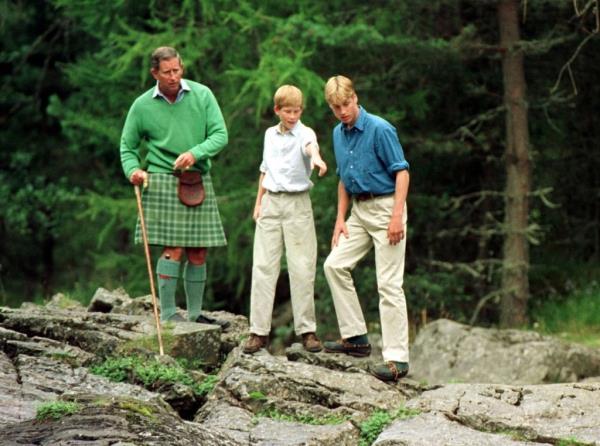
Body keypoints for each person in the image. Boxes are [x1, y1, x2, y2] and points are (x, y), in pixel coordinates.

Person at [120, 46, 227, 324]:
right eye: (166, 72)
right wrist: (134, 171)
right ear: (154, 72)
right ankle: (168, 314)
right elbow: (127, 147)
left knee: (199, 250)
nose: (173, 77)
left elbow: (220, 135)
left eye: (177, 70)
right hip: (162, 180)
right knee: (174, 248)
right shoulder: (142, 105)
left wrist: (195, 153)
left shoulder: (202, 95)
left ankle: (194, 315)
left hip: (197, 178)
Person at [321, 75, 411, 382]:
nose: (343, 111)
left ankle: (397, 359)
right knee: (334, 265)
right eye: (336, 107)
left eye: (346, 104)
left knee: (388, 284)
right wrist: (340, 218)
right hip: (358, 210)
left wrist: (397, 216)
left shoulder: (380, 129)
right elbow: (343, 178)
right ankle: (356, 338)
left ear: (355, 98)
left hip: (387, 206)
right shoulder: (338, 133)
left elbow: (402, 173)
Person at [243, 85, 328, 354]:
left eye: (297, 111)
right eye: (288, 111)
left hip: (296, 204)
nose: (293, 116)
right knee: (263, 267)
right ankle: (258, 332)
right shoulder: (270, 135)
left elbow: (310, 148)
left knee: (302, 267)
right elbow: (265, 170)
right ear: (277, 110)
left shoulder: (306, 133)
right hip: (271, 202)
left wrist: (317, 159)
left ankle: (307, 331)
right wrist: (258, 202)